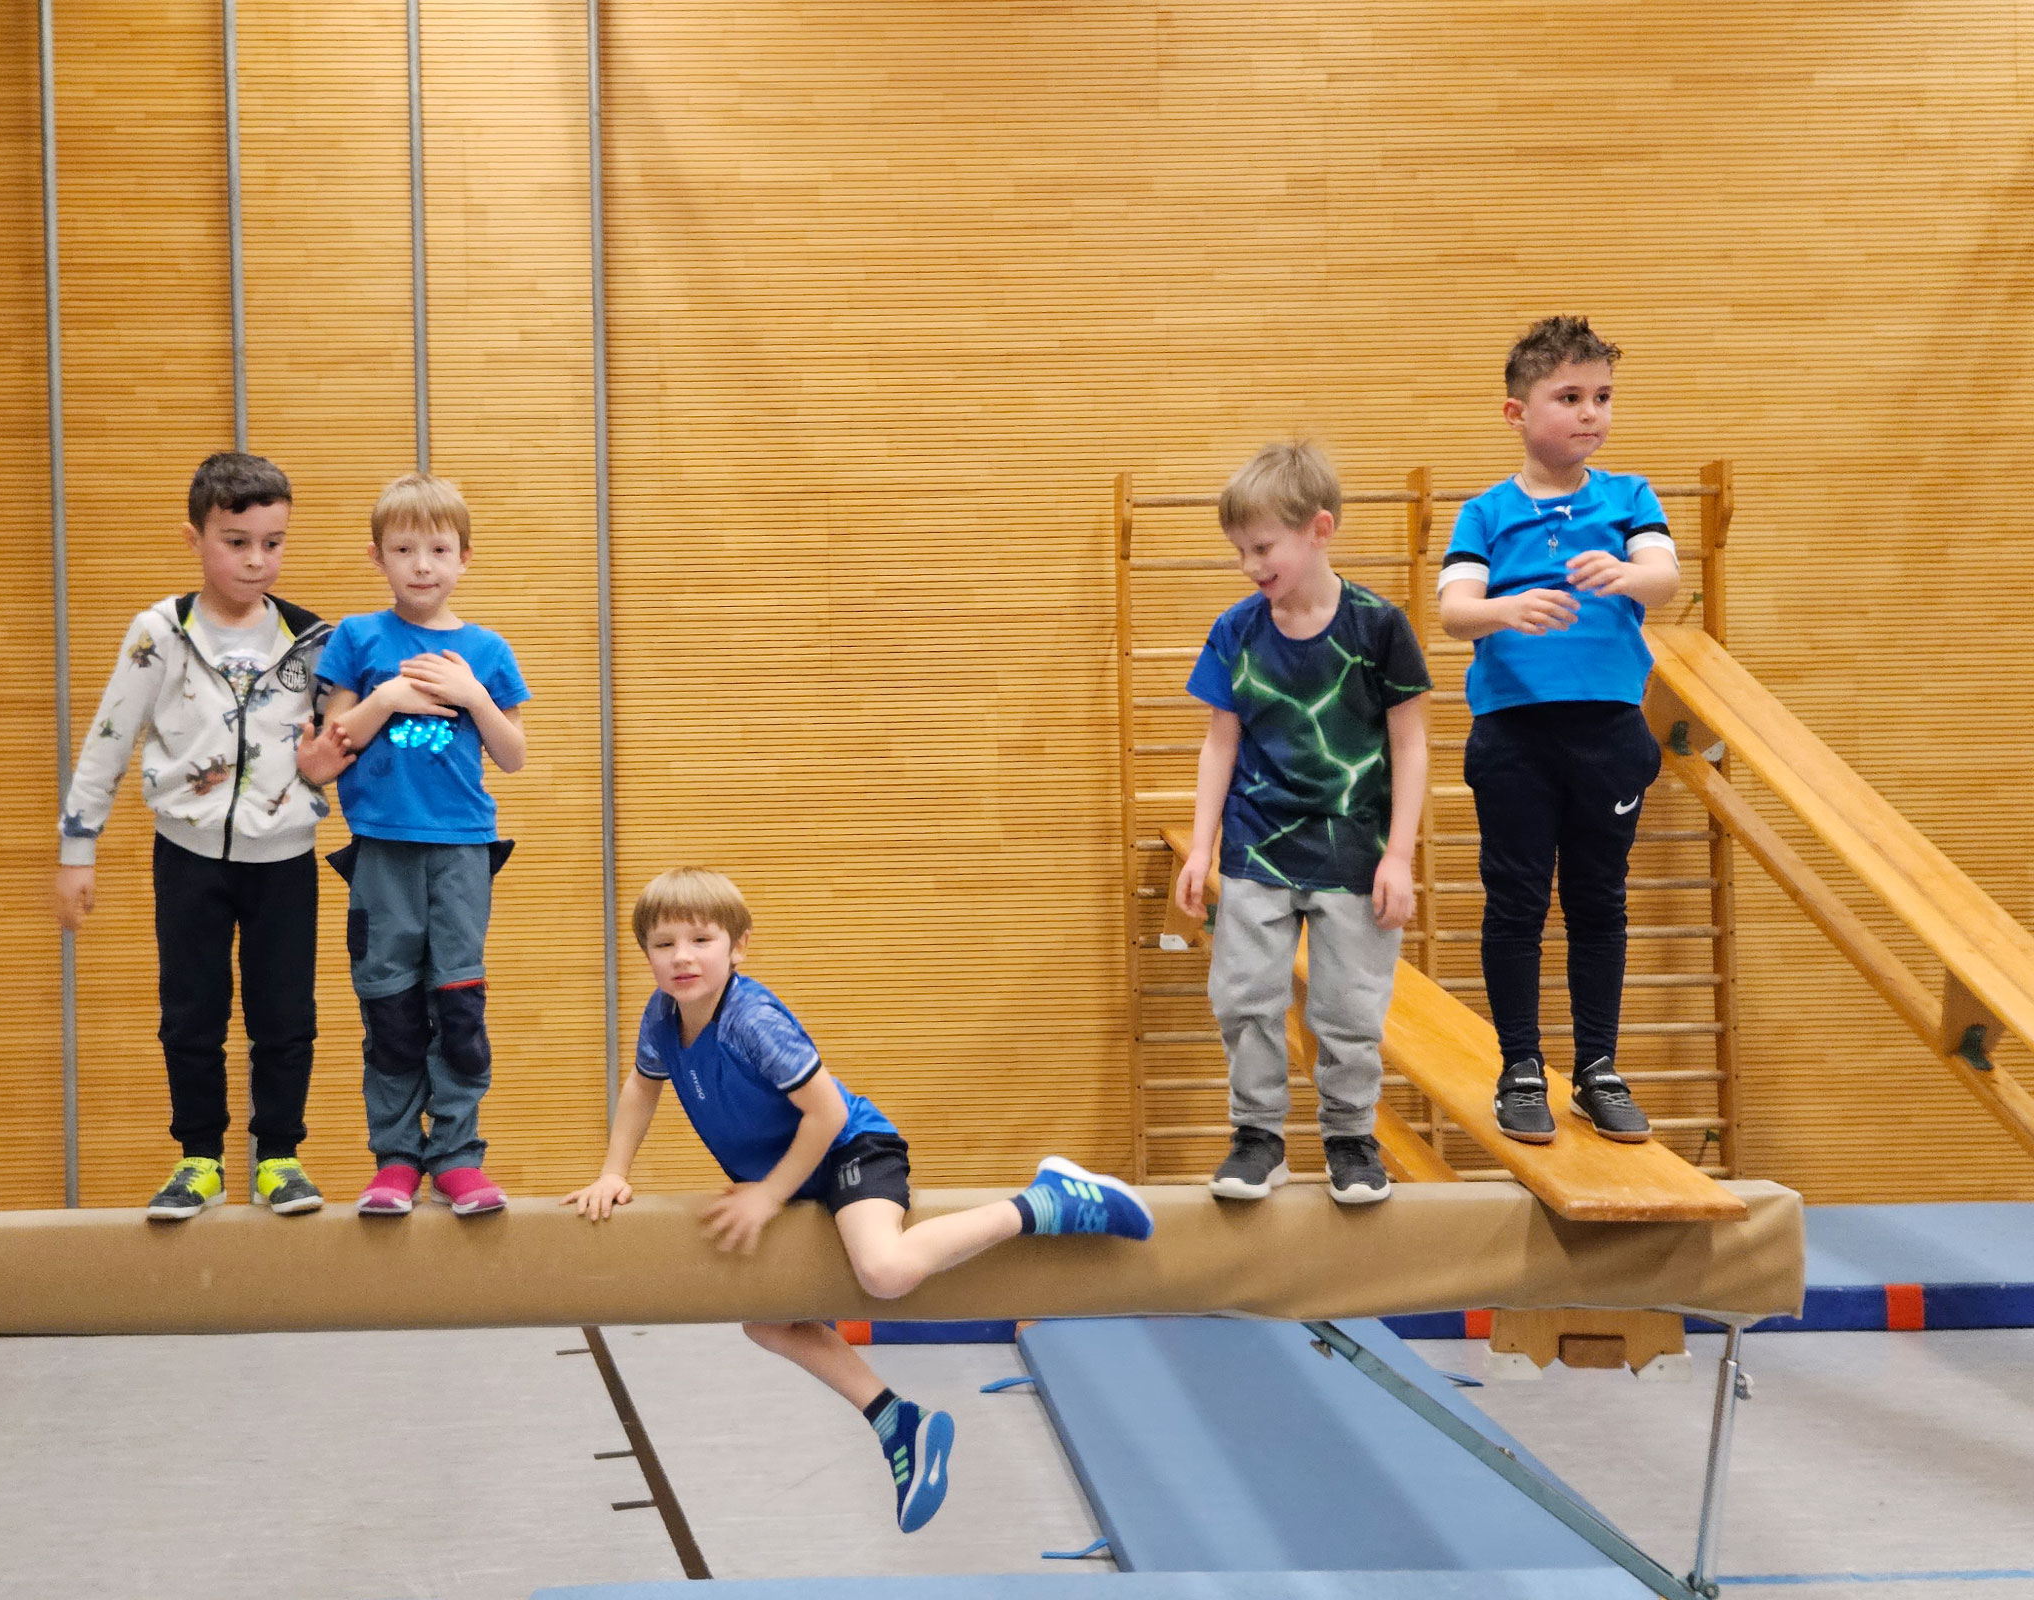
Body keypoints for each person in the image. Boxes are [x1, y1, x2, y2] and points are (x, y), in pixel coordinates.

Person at [567, 867, 1156, 1534]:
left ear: (738, 946)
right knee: (767, 1320)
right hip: (789, 1176)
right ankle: (896, 1419)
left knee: (885, 1270)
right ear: (645, 954)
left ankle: (1043, 1201)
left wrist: (768, 1196)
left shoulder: (752, 1020)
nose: (682, 957)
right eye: (663, 944)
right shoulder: (661, 1017)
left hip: (851, 1150)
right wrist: (613, 1172)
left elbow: (824, 1113)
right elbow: (642, 1086)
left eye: (701, 940)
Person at [53, 451, 351, 1220]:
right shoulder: (160, 633)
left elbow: (342, 744)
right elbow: (108, 741)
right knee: (192, 1012)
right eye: (236, 542)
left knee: (286, 1014)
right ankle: (200, 1158)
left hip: (284, 858)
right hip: (188, 856)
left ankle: (279, 1157)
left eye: (273, 543)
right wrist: (77, 851)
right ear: (195, 539)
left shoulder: (313, 640)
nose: (256, 560)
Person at [1437, 315, 1680, 1145]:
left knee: (1598, 900)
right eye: (1569, 397)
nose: (1590, 413)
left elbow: (1665, 577)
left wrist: (1628, 572)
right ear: (1517, 413)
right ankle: (1520, 1067)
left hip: (1607, 732)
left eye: (1602, 397)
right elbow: (1454, 610)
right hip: (1514, 737)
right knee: (1516, 901)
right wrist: (1504, 609)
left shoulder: (1628, 497)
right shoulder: (1486, 513)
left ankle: (1598, 1069)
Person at [1174, 440, 1431, 1205]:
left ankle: (1351, 1138)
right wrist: (1200, 848)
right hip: (1258, 846)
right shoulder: (1237, 630)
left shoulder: (1378, 628)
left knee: (1348, 1009)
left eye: (1262, 548)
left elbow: (1411, 745)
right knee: (1243, 996)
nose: (1249, 565)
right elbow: (1220, 743)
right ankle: (1257, 1136)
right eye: (1239, 551)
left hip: (1355, 851)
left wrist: (1399, 857)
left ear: (1319, 529)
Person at [315, 474, 530, 1216]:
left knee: (458, 1002)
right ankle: (397, 1156)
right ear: (377, 557)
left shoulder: (486, 649)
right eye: (404, 550)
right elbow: (333, 743)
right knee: (390, 1003)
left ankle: (458, 1156)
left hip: (462, 849)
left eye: (438, 550)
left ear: (464, 557)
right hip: (383, 849)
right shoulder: (358, 638)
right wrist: (386, 698)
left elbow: (513, 756)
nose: (422, 565)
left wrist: (473, 696)